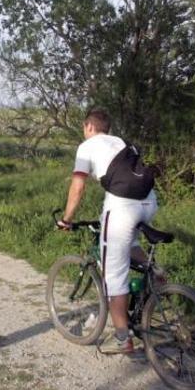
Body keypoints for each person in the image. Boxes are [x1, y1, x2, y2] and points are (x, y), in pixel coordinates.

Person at [56, 109, 158, 354]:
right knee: (128, 244)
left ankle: (123, 338)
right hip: (149, 203)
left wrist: (67, 219)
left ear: (89, 127)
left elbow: (78, 186)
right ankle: (157, 274)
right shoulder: (120, 142)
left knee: (113, 278)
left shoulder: (87, 146)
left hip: (122, 207)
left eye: (84, 128)